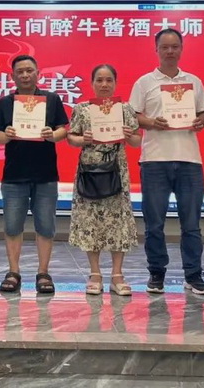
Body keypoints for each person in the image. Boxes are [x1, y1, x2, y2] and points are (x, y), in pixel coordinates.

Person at [130, 29, 204, 296]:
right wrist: (152, 122)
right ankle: (157, 274)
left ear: (181, 49)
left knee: (192, 225)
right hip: (154, 161)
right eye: (165, 47)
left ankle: (194, 275)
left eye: (175, 46)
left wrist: (201, 121)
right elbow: (132, 115)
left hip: (189, 160)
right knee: (154, 224)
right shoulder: (144, 82)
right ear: (156, 49)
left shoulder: (193, 81)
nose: (170, 51)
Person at [0, 55, 69, 294]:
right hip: (14, 175)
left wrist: (52, 135)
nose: (25, 75)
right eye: (20, 72)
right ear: (13, 76)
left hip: (45, 174)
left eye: (29, 71)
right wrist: (7, 135)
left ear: (38, 73)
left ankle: (43, 272)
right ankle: (13, 271)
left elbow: (63, 130)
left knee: (45, 226)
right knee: (12, 226)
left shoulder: (51, 99)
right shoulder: (5, 102)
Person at [67, 64, 140, 296]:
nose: (104, 84)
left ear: (115, 83)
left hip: (117, 169)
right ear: (92, 83)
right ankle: (95, 273)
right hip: (89, 170)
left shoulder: (125, 109)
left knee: (118, 220)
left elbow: (137, 141)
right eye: (99, 80)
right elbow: (71, 137)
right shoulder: (82, 109)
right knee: (91, 220)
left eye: (109, 80)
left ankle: (117, 275)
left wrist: (129, 135)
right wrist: (82, 139)